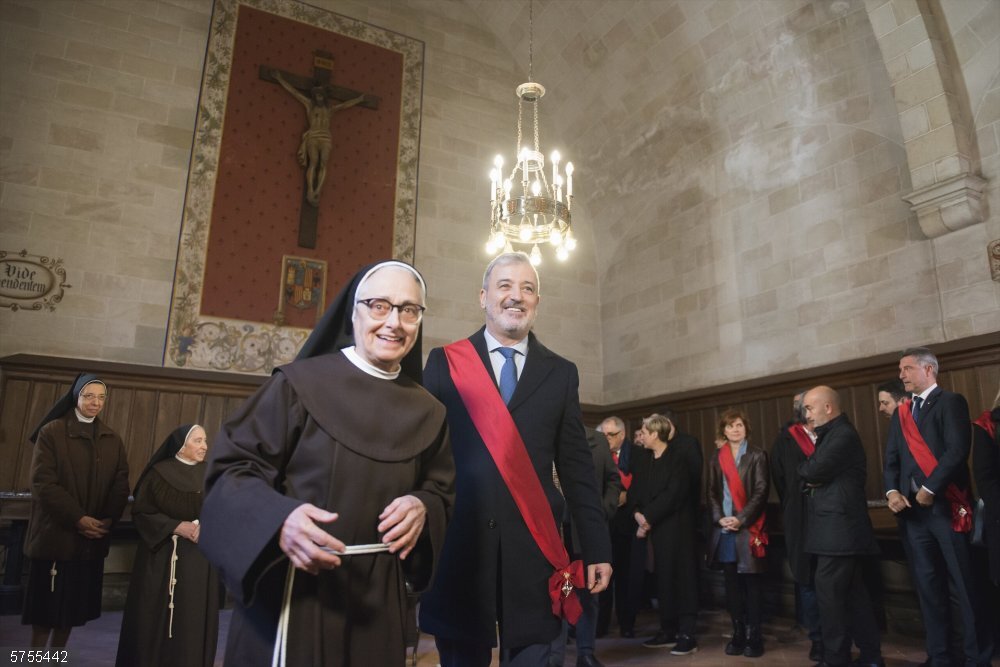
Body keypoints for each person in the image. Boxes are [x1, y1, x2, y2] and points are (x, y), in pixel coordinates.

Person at [199, 260, 455, 667]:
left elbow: (442, 490)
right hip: (298, 590)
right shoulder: (297, 386)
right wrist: (278, 520)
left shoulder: (430, 412)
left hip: (378, 603)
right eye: (379, 306)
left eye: (409, 310)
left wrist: (423, 505)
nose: (394, 322)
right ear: (353, 312)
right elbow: (230, 471)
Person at [418, 251, 612, 667]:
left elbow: (577, 470)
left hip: (535, 553)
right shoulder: (445, 363)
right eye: (505, 285)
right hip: (461, 550)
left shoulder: (560, 373)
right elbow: (423, 458)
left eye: (528, 288)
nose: (516, 296)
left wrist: (597, 548)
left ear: (537, 301)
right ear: (483, 297)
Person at [884, 347, 993, 667]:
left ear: (929, 370)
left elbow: (957, 450)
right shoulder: (902, 412)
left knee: (964, 586)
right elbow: (891, 459)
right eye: (900, 369)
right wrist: (892, 491)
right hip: (912, 515)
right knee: (928, 587)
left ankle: (976, 658)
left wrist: (930, 489)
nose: (901, 375)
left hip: (946, 508)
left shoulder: (950, 402)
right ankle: (940, 656)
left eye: (907, 368)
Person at [21, 373, 130, 649]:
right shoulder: (52, 432)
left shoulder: (112, 438)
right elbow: (43, 483)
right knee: (45, 614)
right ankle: (35, 662)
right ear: (76, 396)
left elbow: (120, 484)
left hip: (89, 542)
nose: (95, 402)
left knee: (70, 613)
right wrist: (78, 518)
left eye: (101, 397)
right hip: (56, 539)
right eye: (89, 396)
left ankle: (56, 660)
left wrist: (107, 519)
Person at [116, 424, 221, 667]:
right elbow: (141, 512)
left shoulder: (212, 474)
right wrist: (175, 526)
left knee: (192, 617)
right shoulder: (159, 473)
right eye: (197, 441)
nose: (204, 446)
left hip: (198, 561)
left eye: (205, 440)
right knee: (152, 615)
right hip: (160, 557)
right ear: (181, 446)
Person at [799, 386, 883, 667]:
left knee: (830, 600)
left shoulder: (842, 435)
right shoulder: (831, 434)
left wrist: (810, 474)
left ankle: (836, 660)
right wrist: (811, 474)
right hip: (837, 532)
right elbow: (810, 473)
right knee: (855, 597)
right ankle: (871, 658)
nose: (806, 414)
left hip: (838, 532)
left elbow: (810, 470)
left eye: (809, 408)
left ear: (828, 407)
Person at [629, 413, 702, 655]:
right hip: (655, 530)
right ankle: (667, 629)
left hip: (678, 528)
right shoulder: (644, 459)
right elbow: (636, 492)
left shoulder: (678, 458)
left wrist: (647, 518)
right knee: (663, 579)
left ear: (655, 434)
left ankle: (687, 633)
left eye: (644, 432)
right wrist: (638, 514)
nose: (641, 436)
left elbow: (674, 494)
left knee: (683, 578)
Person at [550, 427, 621, 667]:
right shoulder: (542, 433)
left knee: (588, 592)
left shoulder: (597, 440)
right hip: (554, 531)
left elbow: (613, 480)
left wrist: (604, 510)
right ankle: (555, 655)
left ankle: (586, 652)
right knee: (560, 591)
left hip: (585, 531)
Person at [706, 408, 768, 658]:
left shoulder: (757, 455)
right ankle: (738, 632)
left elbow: (761, 491)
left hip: (748, 527)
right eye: (730, 426)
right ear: (723, 430)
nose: (735, 430)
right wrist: (719, 517)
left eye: (739, 425)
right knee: (731, 584)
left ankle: (755, 636)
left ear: (746, 428)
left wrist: (741, 519)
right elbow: (711, 492)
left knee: (752, 584)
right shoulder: (716, 457)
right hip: (725, 529)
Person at [770, 390, 824, 662]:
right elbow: (780, 480)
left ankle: (838, 636)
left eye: (806, 404)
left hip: (830, 517)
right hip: (799, 516)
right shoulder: (785, 440)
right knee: (807, 579)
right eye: (798, 405)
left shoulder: (830, 434)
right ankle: (817, 638)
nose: (802, 408)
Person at [273, 70, 365, 206]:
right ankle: (310, 190)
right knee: (313, 162)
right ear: (314, 96)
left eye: (321, 95)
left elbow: (345, 105)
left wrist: (359, 100)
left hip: (326, 138)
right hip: (313, 136)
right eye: (317, 95)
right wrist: (280, 79)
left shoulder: (330, 110)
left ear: (324, 96)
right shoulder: (309, 105)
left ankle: (318, 190)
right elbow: (295, 93)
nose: (319, 97)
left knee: (323, 163)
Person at [599, 416, 640, 638]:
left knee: (626, 577)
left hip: (627, 524)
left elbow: (643, 484)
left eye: (611, 435)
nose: (606, 439)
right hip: (604, 523)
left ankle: (627, 624)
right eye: (603, 434)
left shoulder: (636, 454)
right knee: (602, 577)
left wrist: (628, 496)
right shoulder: (598, 453)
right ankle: (601, 624)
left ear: (622, 435)